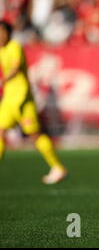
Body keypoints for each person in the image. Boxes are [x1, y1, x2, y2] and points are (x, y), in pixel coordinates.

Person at [0, 20, 67, 184]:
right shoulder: (1, 50)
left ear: (9, 33)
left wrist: (3, 80)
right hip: (9, 100)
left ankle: (58, 167)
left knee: (34, 135)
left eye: (2, 32)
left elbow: (15, 69)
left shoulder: (15, 46)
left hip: (23, 99)